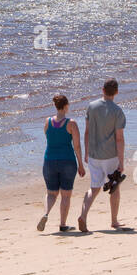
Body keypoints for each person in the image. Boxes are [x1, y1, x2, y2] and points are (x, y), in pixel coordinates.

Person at [79, 78, 128, 233]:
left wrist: (86, 152)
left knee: (94, 188)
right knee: (115, 187)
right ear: (117, 92)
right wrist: (121, 160)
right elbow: (119, 138)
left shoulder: (91, 107)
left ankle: (83, 215)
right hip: (110, 155)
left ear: (103, 90)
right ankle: (114, 221)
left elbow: (87, 132)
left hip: (94, 154)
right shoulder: (117, 111)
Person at [38, 95, 85, 233]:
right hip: (67, 162)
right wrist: (81, 164)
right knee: (66, 194)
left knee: (51, 193)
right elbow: (77, 146)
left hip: (49, 161)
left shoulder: (47, 122)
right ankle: (63, 224)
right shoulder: (71, 123)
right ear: (65, 106)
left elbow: (48, 137)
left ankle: (46, 213)